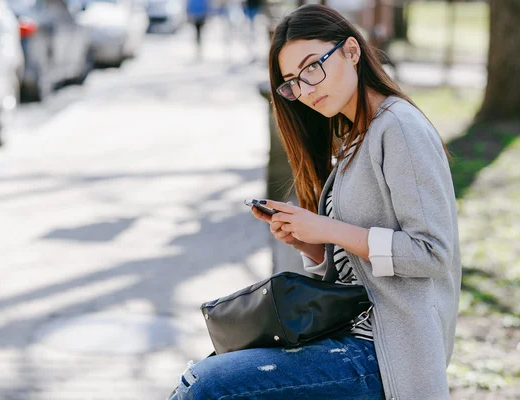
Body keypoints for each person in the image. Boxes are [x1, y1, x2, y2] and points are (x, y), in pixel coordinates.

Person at [168, 4, 461, 400]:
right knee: (207, 373)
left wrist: (329, 229)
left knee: (206, 386)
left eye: (312, 67)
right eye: (292, 82)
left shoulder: (400, 129)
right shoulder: (355, 135)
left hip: (389, 353)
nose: (305, 90)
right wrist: (314, 245)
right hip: (349, 336)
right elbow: (357, 269)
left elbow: (430, 252)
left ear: (352, 52)